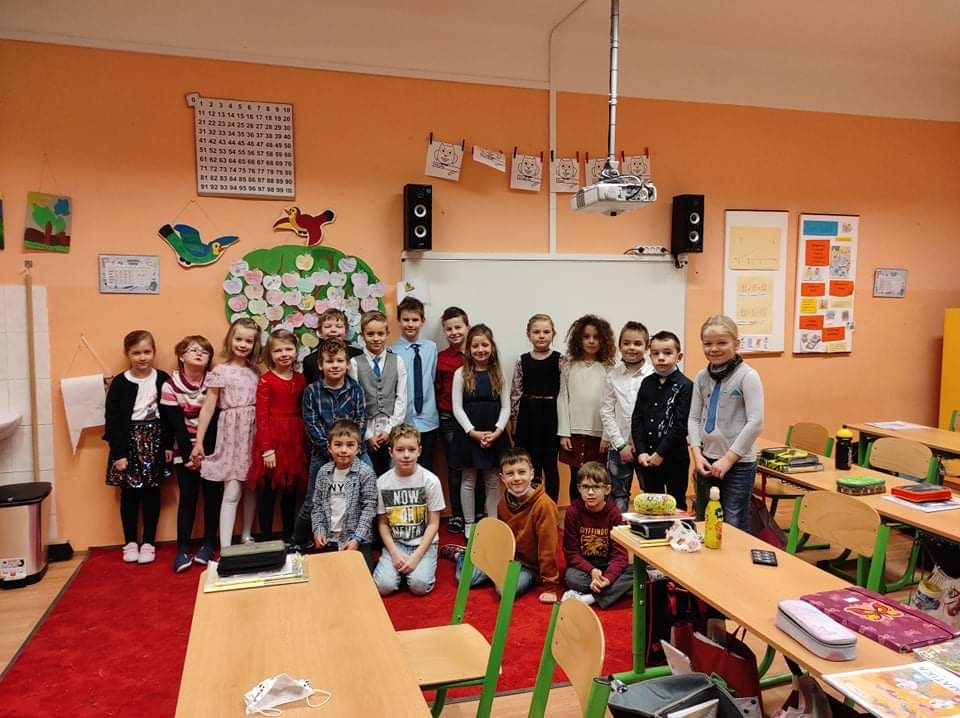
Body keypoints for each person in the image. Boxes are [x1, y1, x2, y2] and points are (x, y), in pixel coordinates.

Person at [441, 448, 560, 603]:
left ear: (531, 474)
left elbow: (547, 548)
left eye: (522, 472)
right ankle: (462, 555)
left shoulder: (545, 505)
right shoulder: (503, 503)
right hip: (505, 559)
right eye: (510, 474)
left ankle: (481, 565)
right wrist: (495, 562)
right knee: (465, 578)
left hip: (528, 567)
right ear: (502, 478)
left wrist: (550, 586)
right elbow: (503, 537)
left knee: (504, 590)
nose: (516, 478)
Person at [688, 315, 764, 531]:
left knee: (733, 522)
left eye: (722, 343)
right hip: (707, 459)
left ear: (736, 344)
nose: (714, 349)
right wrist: (697, 454)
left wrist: (728, 459)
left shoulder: (748, 376)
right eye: (708, 343)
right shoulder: (702, 377)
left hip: (738, 464)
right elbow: (693, 418)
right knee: (706, 520)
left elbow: (756, 422)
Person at [191, 318, 261, 548]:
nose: (243, 344)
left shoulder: (255, 371)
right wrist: (199, 441)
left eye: (249, 341)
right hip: (232, 433)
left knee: (252, 487)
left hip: (253, 432)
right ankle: (226, 546)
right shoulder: (220, 371)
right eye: (238, 339)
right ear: (230, 339)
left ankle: (247, 535)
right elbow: (208, 407)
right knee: (232, 490)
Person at [103, 330, 172, 564]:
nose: (142, 357)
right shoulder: (120, 382)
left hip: (155, 441)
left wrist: (168, 445)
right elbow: (112, 420)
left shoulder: (162, 378)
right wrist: (119, 453)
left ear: (154, 352)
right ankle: (131, 542)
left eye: (147, 352)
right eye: (136, 353)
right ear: (127, 354)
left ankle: (149, 542)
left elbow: (170, 415)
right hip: (129, 442)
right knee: (129, 495)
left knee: (152, 493)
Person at [295, 337, 366, 548]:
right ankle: (297, 541)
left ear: (347, 364)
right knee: (312, 500)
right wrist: (331, 451)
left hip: (354, 453)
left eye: (339, 361)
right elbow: (312, 425)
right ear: (320, 365)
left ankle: (364, 538)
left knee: (366, 492)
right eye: (329, 361)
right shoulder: (311, 391)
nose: (335, 365)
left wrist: (349, 450)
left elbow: (360, 421)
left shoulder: (355, 389)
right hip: (322, 453)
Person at [160, 334, 223, 572]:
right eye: (193, 350)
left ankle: (209, 543)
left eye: (204, 352)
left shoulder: (215, 382)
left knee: (212, 496)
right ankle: (183, 548)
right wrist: (190, 455)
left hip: (211, 446)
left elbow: (215, 419)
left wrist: (204, 451)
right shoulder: (170, 385)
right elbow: (175, 424)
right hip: (184, 448)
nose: (199, 354)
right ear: (181, 356)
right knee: (188, 496)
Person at [450, 324, 511, 539]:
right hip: (469, 434)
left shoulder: (499, 373)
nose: (480, 350)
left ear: (492, 347)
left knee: (493, 480)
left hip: (495, 433)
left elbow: (506, 407)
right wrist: (472, 432)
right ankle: (469, 523)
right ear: (468, 349)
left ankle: (492, 521)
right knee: (468, 479)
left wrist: (498, 431)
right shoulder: (460, 373)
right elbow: (457, 407)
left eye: (485, 345)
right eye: (475, 346)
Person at [248, 330, 307, 542]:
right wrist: (267, 449)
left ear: (296, 352)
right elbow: (261, 417)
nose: (284, 354)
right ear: (270, 354)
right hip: (273, 440)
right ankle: (266, 539)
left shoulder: (301, 379)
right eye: (278, 350)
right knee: (268, 493)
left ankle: (290, 537)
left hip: (295, 439)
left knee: (291, 492)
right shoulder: (266, 381)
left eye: (288, 349)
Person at [373, 424, 445, 596]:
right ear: (391, 452)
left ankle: (416, 569)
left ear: (419, 451)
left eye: (411, 450)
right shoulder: (382, 483)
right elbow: (382, 523)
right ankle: (398, 569)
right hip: (397, 543)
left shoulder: (431, 481)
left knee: (419, 587)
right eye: (400, 450)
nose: (406, 455)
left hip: (424, 543)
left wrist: (417, 556)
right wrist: (394, 553)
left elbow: (434, 524)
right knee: (383, 587)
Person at [631, 330, 694, 511]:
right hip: (648, 458)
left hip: (674, 458)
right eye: (655, 353)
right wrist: (641, 451)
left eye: (667, 353)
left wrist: (660, 453)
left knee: (676, 503)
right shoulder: (647, 383)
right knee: (652, 505)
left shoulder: (686, 386)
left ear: (679, 356)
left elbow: (681, 425)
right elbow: (637, 418)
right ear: (649, 355)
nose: (661, 358)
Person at [558, 314, 617, 502]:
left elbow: (612, 403)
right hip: (574, 433)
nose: (591, 341)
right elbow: (563, 397)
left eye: (596, 337)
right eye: (586, 336)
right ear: (578, 339)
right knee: (577, 478)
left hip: (599, 436)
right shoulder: (569, 366)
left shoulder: (609, 368)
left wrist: (607, 435)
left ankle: (596, 515)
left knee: (597, 479)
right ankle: (576, 514)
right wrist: (564, 433)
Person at [562, 462, 632, 608]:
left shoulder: (614, 514)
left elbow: (620, 555)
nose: (590, 492)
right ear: (579, 488)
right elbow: (571, 553)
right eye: (585, 487)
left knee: (637, 573)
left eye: (597, 487)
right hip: (584, 569)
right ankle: (613, 592)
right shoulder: (573, 512)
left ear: (607, 489)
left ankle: (591, 597)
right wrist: (592, 570)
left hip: (608, 565)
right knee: (571, 578)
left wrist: (609, 577)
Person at [310, 419, 378, 571]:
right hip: (331, 539)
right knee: (329, 578)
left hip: (358, 539)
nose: (343, 450)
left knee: (361, 577)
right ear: (329, 447)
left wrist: (357, 538)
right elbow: (317, 506)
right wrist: (318, 530)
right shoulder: (324, 472)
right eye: (338, 444)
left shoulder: (365, 473)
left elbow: (369, 508)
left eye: (350, 445)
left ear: (358, 448)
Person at [510, 313, 564, 502]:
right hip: (528, 416)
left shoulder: (560, 360)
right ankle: (532, 506)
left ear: (553, 334)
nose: (541, 336)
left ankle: (551, 506)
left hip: (551, 416)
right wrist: (514, 422)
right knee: (531, 465)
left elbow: (565, 393)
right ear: (529, 334)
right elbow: (516, 392)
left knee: (550, 465)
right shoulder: (522, 360)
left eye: (546, 332)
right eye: (536, 332)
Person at [600, 321, 653, 511]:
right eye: (627, 343)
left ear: (647, 347)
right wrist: (620, 444)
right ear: (619, 346)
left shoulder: (654, 375)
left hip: (648, 448)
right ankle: (618, 530)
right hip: (619, 446)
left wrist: (642, 445)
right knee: (618, 495)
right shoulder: (612, 376)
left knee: (651, 493)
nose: (631, 347)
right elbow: (606, 410)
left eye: (637, 343)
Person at [349, 310, 408, 476]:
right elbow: (355, 402)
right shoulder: (354, 363)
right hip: (366, 429)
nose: (376, 338)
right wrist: (367, 435)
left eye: (380, 334)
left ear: (387, 333)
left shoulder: (397, 361)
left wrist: (390, 430)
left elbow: (401, 398)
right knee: (369, 476)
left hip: (392, 428)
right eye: (370, 334)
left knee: (392, 476)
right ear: (362, 335)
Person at [390, 296, 439, 471]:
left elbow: (432, 377)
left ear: (422, 321)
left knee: (426, 468)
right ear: (399, 321)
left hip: (428, 418)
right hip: (403, 420)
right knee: (403, 468)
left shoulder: (431, 348)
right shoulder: (391, 351)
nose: (410, 324)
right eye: (406, 320)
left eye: (415, 320)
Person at [435, 306, 469, 534]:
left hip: (475, 419)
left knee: (477, 466)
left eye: (458, 327)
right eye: (449, 329)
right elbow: (437, 388)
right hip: (449, 418)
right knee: (455, 467)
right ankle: (457, 514)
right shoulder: (441, 359)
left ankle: (477, 512)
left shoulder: (478, 352)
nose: (454, 332)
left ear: (467, 326)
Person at [301, 308, 363, 385]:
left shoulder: (358, 356)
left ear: (346, 330)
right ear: (320, 331)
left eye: (339, 326)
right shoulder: (309, 361)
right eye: (327, 326)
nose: (333, 330)